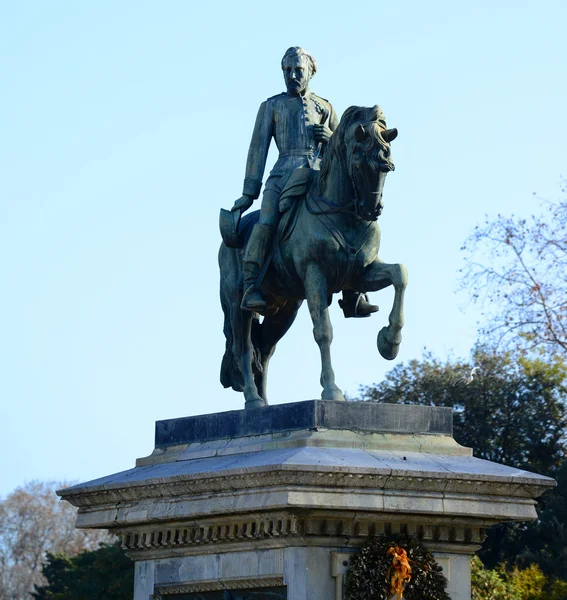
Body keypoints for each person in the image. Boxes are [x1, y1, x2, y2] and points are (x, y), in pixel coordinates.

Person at [232, 46, 378, 317]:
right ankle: (252, 284)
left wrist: (330, 136)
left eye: (298, 70)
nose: (292, 75)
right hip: (283, 174)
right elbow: (257, 150)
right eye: (287, 71)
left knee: (353, 213)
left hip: (319, 175)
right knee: (266, 221)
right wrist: (248, 192)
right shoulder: (271, 106)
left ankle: (354, 294)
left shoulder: (325, 106)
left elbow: (345, 145)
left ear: (310, 72)